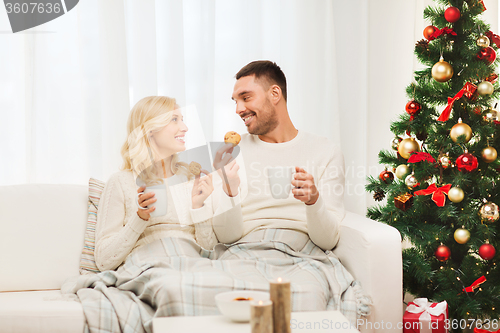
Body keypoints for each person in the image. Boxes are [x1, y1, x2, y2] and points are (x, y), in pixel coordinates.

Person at [212, 60, 345, 251]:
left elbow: (328, 241)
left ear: (275, 94)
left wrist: (313, 200)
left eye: (246, 98)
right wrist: (229, 188)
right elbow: (226, 237)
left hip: (302, 254)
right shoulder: (230, 154)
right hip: (244, 252)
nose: (238, 109)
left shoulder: (325, 151)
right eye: (235, 101)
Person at [94, 96, 217, 271]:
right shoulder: (121, 182)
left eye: (182, 120)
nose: (185, 127)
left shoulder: (193, 179)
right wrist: (140, 218)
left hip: (192, 266)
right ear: (151, 130)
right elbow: (104, 261)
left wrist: (199, 208)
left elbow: (210, 251)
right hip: (148, 267)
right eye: (174, 120)